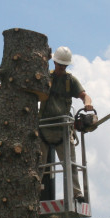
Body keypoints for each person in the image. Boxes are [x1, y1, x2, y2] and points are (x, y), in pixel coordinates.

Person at [39, 46, 94, 202]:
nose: (62, 68)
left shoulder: (70, 81)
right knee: (38, 165)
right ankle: (33, 192)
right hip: (44, 127)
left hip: (62, 129)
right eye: (59, 65)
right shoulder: (45, 77)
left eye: (64, 65)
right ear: (54, 62)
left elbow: (84, 95)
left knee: (70, 164)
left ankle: (77, 193)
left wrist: (88, 104)